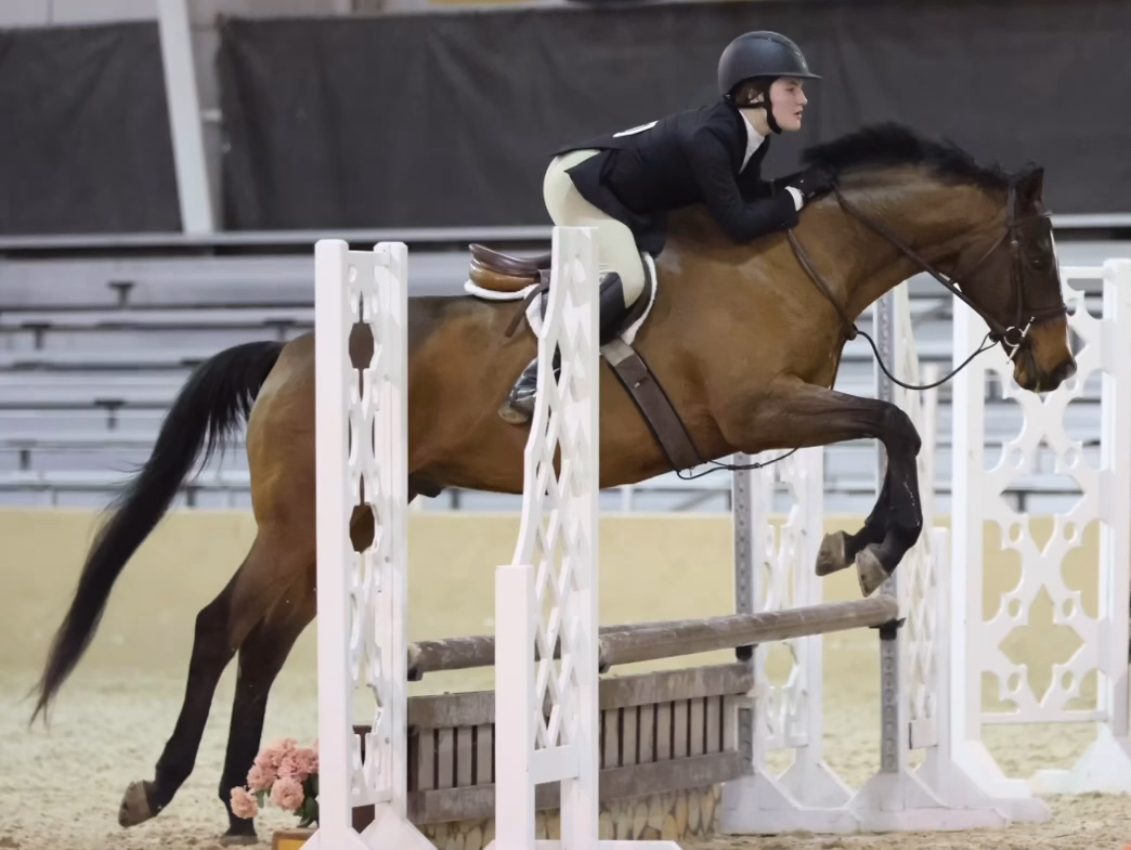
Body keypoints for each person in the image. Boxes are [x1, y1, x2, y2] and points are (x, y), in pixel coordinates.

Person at [500, 30, 836, 424]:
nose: (803, 99)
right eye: (792, 88)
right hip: (578, 184)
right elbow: (740, 224)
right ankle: (539, 373)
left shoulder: (751, 136)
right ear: (754, 92)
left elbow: (747, 198)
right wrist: (797, 194)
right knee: (629, 280)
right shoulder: (712, 138)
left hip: (622, 191)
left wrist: (802, 185)